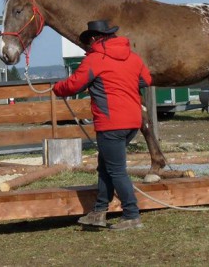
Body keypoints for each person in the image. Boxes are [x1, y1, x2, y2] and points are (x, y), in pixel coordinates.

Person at [53, 20, 152, 230]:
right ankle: (98, 212)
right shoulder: (133, 58)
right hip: (132, 122)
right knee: (106, 167)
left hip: (111, 123)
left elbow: (74, 85)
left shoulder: (95, 60)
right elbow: (146, 80)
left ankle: (132, 215)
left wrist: (57, 89)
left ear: (94, 38)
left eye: (88, 42)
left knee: (116, 170)